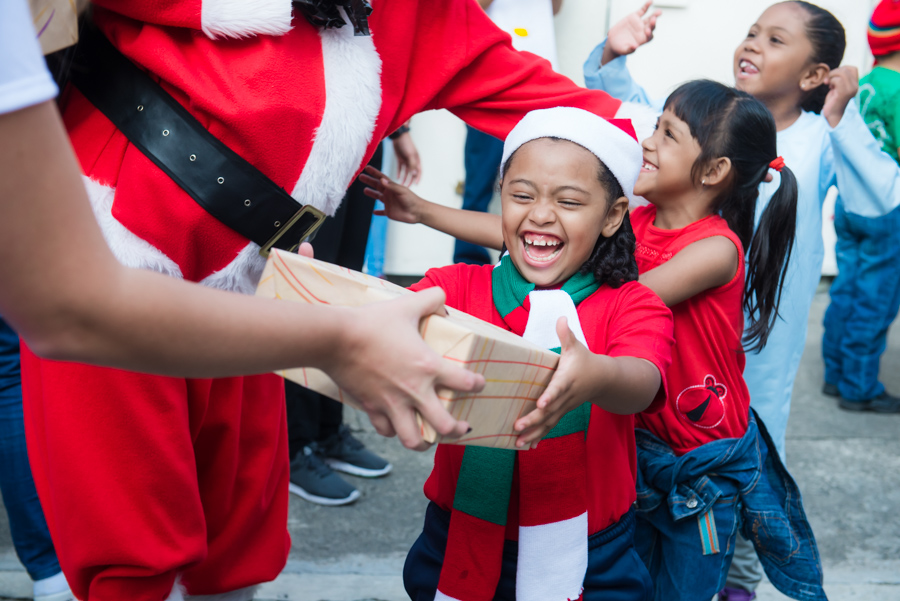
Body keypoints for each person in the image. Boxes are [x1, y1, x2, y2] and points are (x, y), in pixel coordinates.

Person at [18, 1, 636, 599]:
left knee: (236, 534)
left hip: (253, 294)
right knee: (132, 548)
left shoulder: (417, 13)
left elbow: (602, 125)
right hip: (111, 255)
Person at [366, 81, 825, 601]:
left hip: (698, 452)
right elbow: (533, 230)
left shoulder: (712, 250)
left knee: (680, 583)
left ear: (714, 172)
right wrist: (425, 212)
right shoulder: (635, 221)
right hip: (643, 436)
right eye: (654, 126)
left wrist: (547, 274)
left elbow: (603, 297)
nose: (647, 141)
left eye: (667, 134)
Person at [583, 3, 900, 598]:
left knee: (745, 464)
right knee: (655, 453)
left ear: (814, 75)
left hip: (760, 346)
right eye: (753, 31)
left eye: (776, 39)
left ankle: (737, 582)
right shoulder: (714, 123)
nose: (753, 43)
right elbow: (635, 127)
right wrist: (611, 57)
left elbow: (880, 199)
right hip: (678, 337)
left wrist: (840, 115)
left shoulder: (818, 139)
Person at [367, 107, 675, 601]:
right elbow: (380, 325)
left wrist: (594, 375)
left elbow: (642, 382)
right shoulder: (452, 288)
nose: (540, 214)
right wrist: (328, 301)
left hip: (594, 554)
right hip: (455, 537)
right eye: (521, 195)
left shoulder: (631, 303)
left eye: (570, 201)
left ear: (614, 215)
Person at [822, 0, 900, 411]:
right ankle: (859, 387)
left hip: (852, 204)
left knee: (847, 290)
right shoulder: (899, 89)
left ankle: (835, 374)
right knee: (877, 299)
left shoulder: (867, 84)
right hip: (887, 208)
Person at [454, 0, 563, 266]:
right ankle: (468, 267)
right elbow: (470, 8)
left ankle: (526, 265)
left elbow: (554, 8)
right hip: (495, 78)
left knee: (539, 185)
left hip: (542, 79)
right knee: (479, 185)